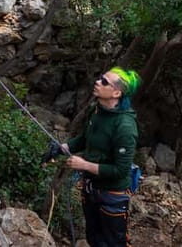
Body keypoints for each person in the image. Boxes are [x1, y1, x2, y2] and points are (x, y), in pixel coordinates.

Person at [62, 67, 141, 247]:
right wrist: (63, 148)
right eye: (100, 78)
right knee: (94, 238)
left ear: (116, 93)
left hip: (112, 195)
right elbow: (85, 139)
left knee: (112, 243)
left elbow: (120, 170)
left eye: (104, 82)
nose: (98, 82)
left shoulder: (125, 126)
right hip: (91, 189)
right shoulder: (97, 111)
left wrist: (84, 165)